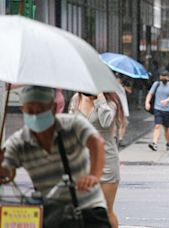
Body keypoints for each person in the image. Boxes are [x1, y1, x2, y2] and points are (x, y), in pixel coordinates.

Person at [0, 86, 111, 228]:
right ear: (23, 111)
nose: (35, 116)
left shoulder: (73, 124)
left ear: (52, 108)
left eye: (40, 110)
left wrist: (94, 175)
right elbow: (7, 172)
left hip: (88, 208)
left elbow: (97, 142)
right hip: (52, 211)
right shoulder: (19, 141)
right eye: (30, 111)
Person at [69, 91, 124, 228]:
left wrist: (100, 98)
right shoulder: (77, 98)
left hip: (106, 159)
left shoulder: (110, 101)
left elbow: (106, 122)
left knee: (105, 211)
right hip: (81, 161)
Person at [145, 70, 169, 151]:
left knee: (166, 128)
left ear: (168, 78)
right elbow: (150, 93)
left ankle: (168, 142)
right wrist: (147, 102)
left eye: (165, 76)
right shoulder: (157, 84)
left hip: (168, 110)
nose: (163, 78)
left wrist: (166, 100)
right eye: (162, 76)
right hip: (158, 108)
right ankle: (154, 143)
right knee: (157, 125)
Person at [114, 72, 132, 146]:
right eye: (116, 78)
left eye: (119, 78)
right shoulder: (112, 85)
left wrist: (123, 86)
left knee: (123, 123)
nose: (118, 79)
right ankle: (115, 138)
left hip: (123, 105)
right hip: (115, 105)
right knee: (115, 123)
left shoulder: (124, 84)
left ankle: (120, 139)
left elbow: (130, 91)